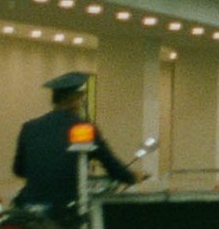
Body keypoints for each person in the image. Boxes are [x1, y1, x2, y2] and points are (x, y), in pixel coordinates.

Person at [12, 72, 140, 219]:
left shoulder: (30, 127)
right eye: (80, 98)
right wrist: (131, 177)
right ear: (74, 99)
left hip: (30, 205)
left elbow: (18, 170)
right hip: (67, 209)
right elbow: (111, 165)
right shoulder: (84, 129)